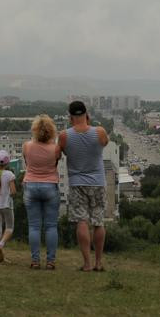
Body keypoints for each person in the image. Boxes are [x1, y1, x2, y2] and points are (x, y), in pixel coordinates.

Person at [59, 100, 109, 272]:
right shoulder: (100, 132)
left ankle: (87, 263)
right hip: (98, 182)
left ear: (70, 116)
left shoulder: (64, 135)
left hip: (77, 183)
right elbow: (104, 143)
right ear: (87, 114)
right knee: (98, 221)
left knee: (82, 221)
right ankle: (99, 262)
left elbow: (62, 152)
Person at [22, 114, 62, 270]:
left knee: (34, 227)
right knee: (51, 226)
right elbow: (55, 164)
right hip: (50, 186)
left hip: (31, 186)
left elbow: (27, 162)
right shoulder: (55, 149)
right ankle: (50, 261)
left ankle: (35, 260)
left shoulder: (27, 146)